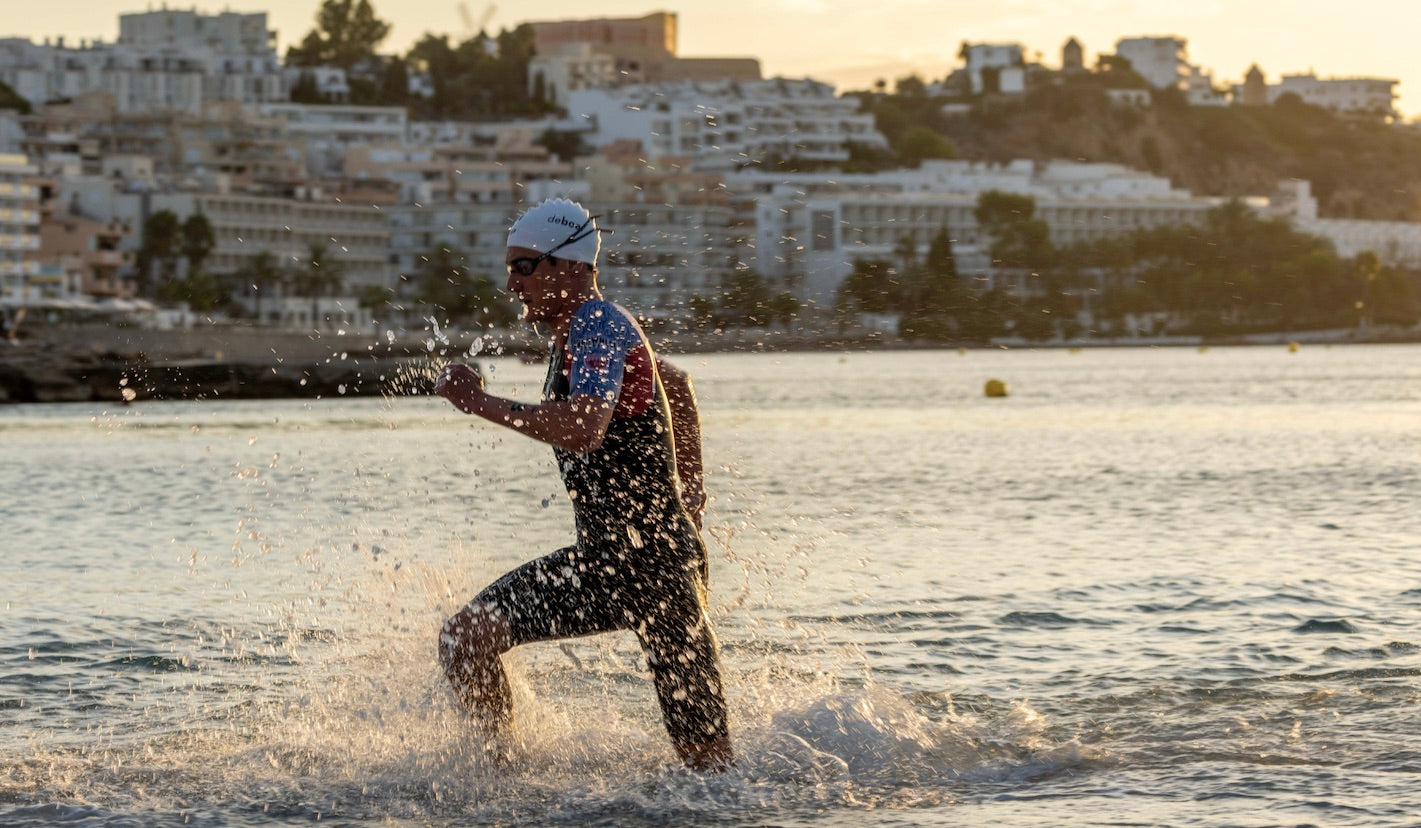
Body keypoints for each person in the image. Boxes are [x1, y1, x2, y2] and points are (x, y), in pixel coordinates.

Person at [433, 198, 733, 771]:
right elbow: (675, 382)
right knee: (466, 637)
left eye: (524, 267)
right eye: (510, 268)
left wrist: (477, 402)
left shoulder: (596, 323)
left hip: (652, 569)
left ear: (569, 265)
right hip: (614, 564)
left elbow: (584, 427)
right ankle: (503, 776)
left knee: (709, 766)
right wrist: (691, 492)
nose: (512, 284)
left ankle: (505, 777)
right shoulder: (585, 332)